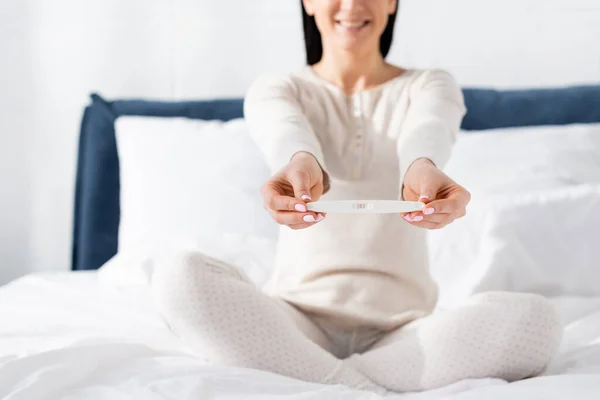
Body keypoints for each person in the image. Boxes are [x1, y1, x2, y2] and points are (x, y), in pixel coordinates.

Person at [151, 0, 562, 394]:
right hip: (294, 323)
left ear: (391, 2)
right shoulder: (278, 87)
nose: (352, 4)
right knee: (176, 277)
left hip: (405, 334)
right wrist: (301, 160)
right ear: (308, 2)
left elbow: (427, 128)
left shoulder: (429, 85)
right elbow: (285, 130)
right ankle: (366, 389)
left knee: (536, 321)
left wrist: (421, 167)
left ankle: (323, 380)